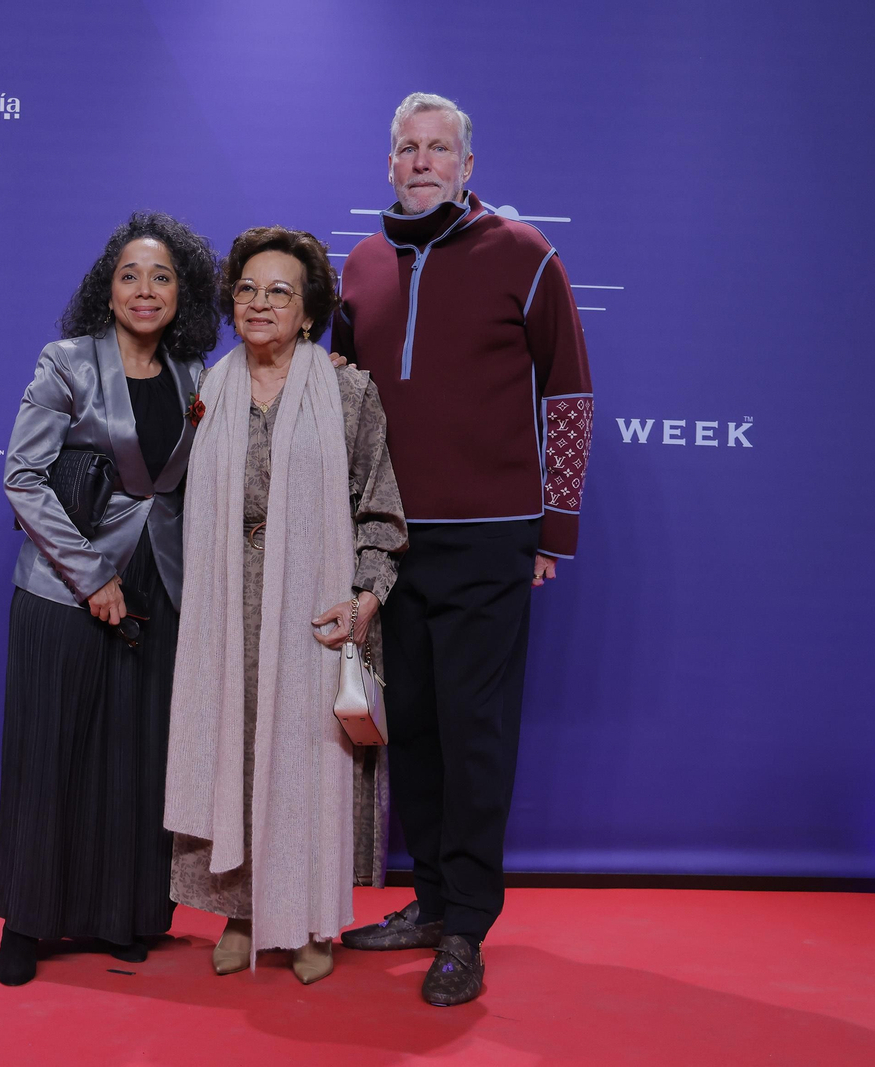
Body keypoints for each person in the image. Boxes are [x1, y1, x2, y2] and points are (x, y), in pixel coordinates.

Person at [333, 93, 594, 1007]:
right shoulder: (360, 265)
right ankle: (432, 901)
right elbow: (340, 401)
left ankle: (467, 928)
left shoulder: (525, 254)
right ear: (389, 163)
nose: (422, 160)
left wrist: (554, 529)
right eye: (407, 147)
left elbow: (569, 396)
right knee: (415, 732)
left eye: (439, 148)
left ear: (468, 165)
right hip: (391, 541)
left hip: (490, 541)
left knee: (476, 734)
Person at [164, 227, 407, 986]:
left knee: (307, 762)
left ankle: (309, 918)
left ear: (308, 314)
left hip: (316, 612)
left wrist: (365, 601)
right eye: (247, 289)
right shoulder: (206, 392)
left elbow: (381, 513)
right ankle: (239, 912)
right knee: (233, 758)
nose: (260, 303)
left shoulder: (347, 393)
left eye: (280, 291)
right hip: (224, 610)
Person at [0, 212, 221, 986]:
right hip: (65, 586)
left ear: (182, 293)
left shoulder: (197, 374)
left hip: (160, 584)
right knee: (51, 753)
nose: (145, 289)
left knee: (136, 758)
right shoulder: (67, 362)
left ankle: (120, 915)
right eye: (130, 275)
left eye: (162, 276)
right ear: (108, 287)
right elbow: (22, 476)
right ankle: (25, 924)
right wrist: (92, 575)